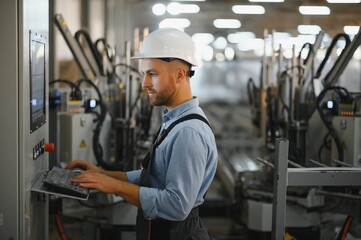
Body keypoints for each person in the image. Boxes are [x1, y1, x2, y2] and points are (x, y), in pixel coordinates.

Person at [67, 28, 218, 240]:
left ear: (180, 75)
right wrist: (104, 175)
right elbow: (157, 174)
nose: (145, 83)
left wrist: (116, 187)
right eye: (143, 74)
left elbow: (177, 206)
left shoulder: (188, 132)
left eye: (152, 74)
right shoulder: (173, 120)